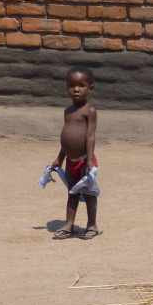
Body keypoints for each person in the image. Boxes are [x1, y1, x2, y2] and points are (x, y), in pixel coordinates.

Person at [50, 66, 101, 240]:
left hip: (85, 160)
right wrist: (59, 159)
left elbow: (90, 136)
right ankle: (69, 225)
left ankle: (92, 225)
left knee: (88, 194)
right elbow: (66, 140)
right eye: (71, 85)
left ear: (90, 88)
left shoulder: (89, 111)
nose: (76, 89)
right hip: (70, 161)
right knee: (72, 193)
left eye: (81, 85)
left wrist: (90, 161)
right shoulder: (68, 111)